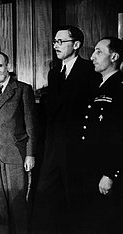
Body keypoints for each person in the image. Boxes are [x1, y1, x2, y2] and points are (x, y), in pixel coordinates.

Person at [32, 25, 100, 233]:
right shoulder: (54, 73)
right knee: (46, 197)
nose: (56, 46)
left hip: (76, 147)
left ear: (77, 45)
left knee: (74, 201)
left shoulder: (89, 70)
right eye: (54, 42)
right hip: (53, 146)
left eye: (61, 42)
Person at [0, 52, 37, 234]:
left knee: (17, 202)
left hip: (15, 153)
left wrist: (30, 153)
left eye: (0, 66)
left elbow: (31, 125)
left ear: (8, 66)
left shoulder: (22, 89)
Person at [76, 36, 123, 233]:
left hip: (106, 172)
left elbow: (119, 135)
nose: (93, 56)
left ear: (114, 56)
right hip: (91, 168)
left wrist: (110, 173)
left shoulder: (119, 87)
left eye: (99, 51)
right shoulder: (98, 86)